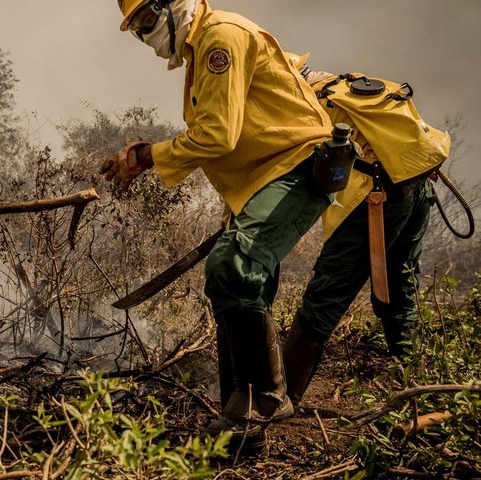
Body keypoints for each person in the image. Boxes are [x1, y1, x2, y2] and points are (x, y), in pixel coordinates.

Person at [100, 0, 334, 451]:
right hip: (268, 175)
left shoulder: (219, 38)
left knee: (232, 266)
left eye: (147, 21)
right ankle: (239, 418)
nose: (146, 35)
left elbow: (217, 135)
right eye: (138, 29)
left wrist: (147, 156)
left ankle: (263, 400)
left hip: (298, 166)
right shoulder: (201, 47)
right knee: (237, 282)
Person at [281, 54, 442, 405]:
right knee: (399, 289)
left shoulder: (304, 102)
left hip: (376, 200)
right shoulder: (342, 84)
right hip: (417, 191)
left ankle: (277, 403)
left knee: (323, 298)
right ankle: (423, 388)